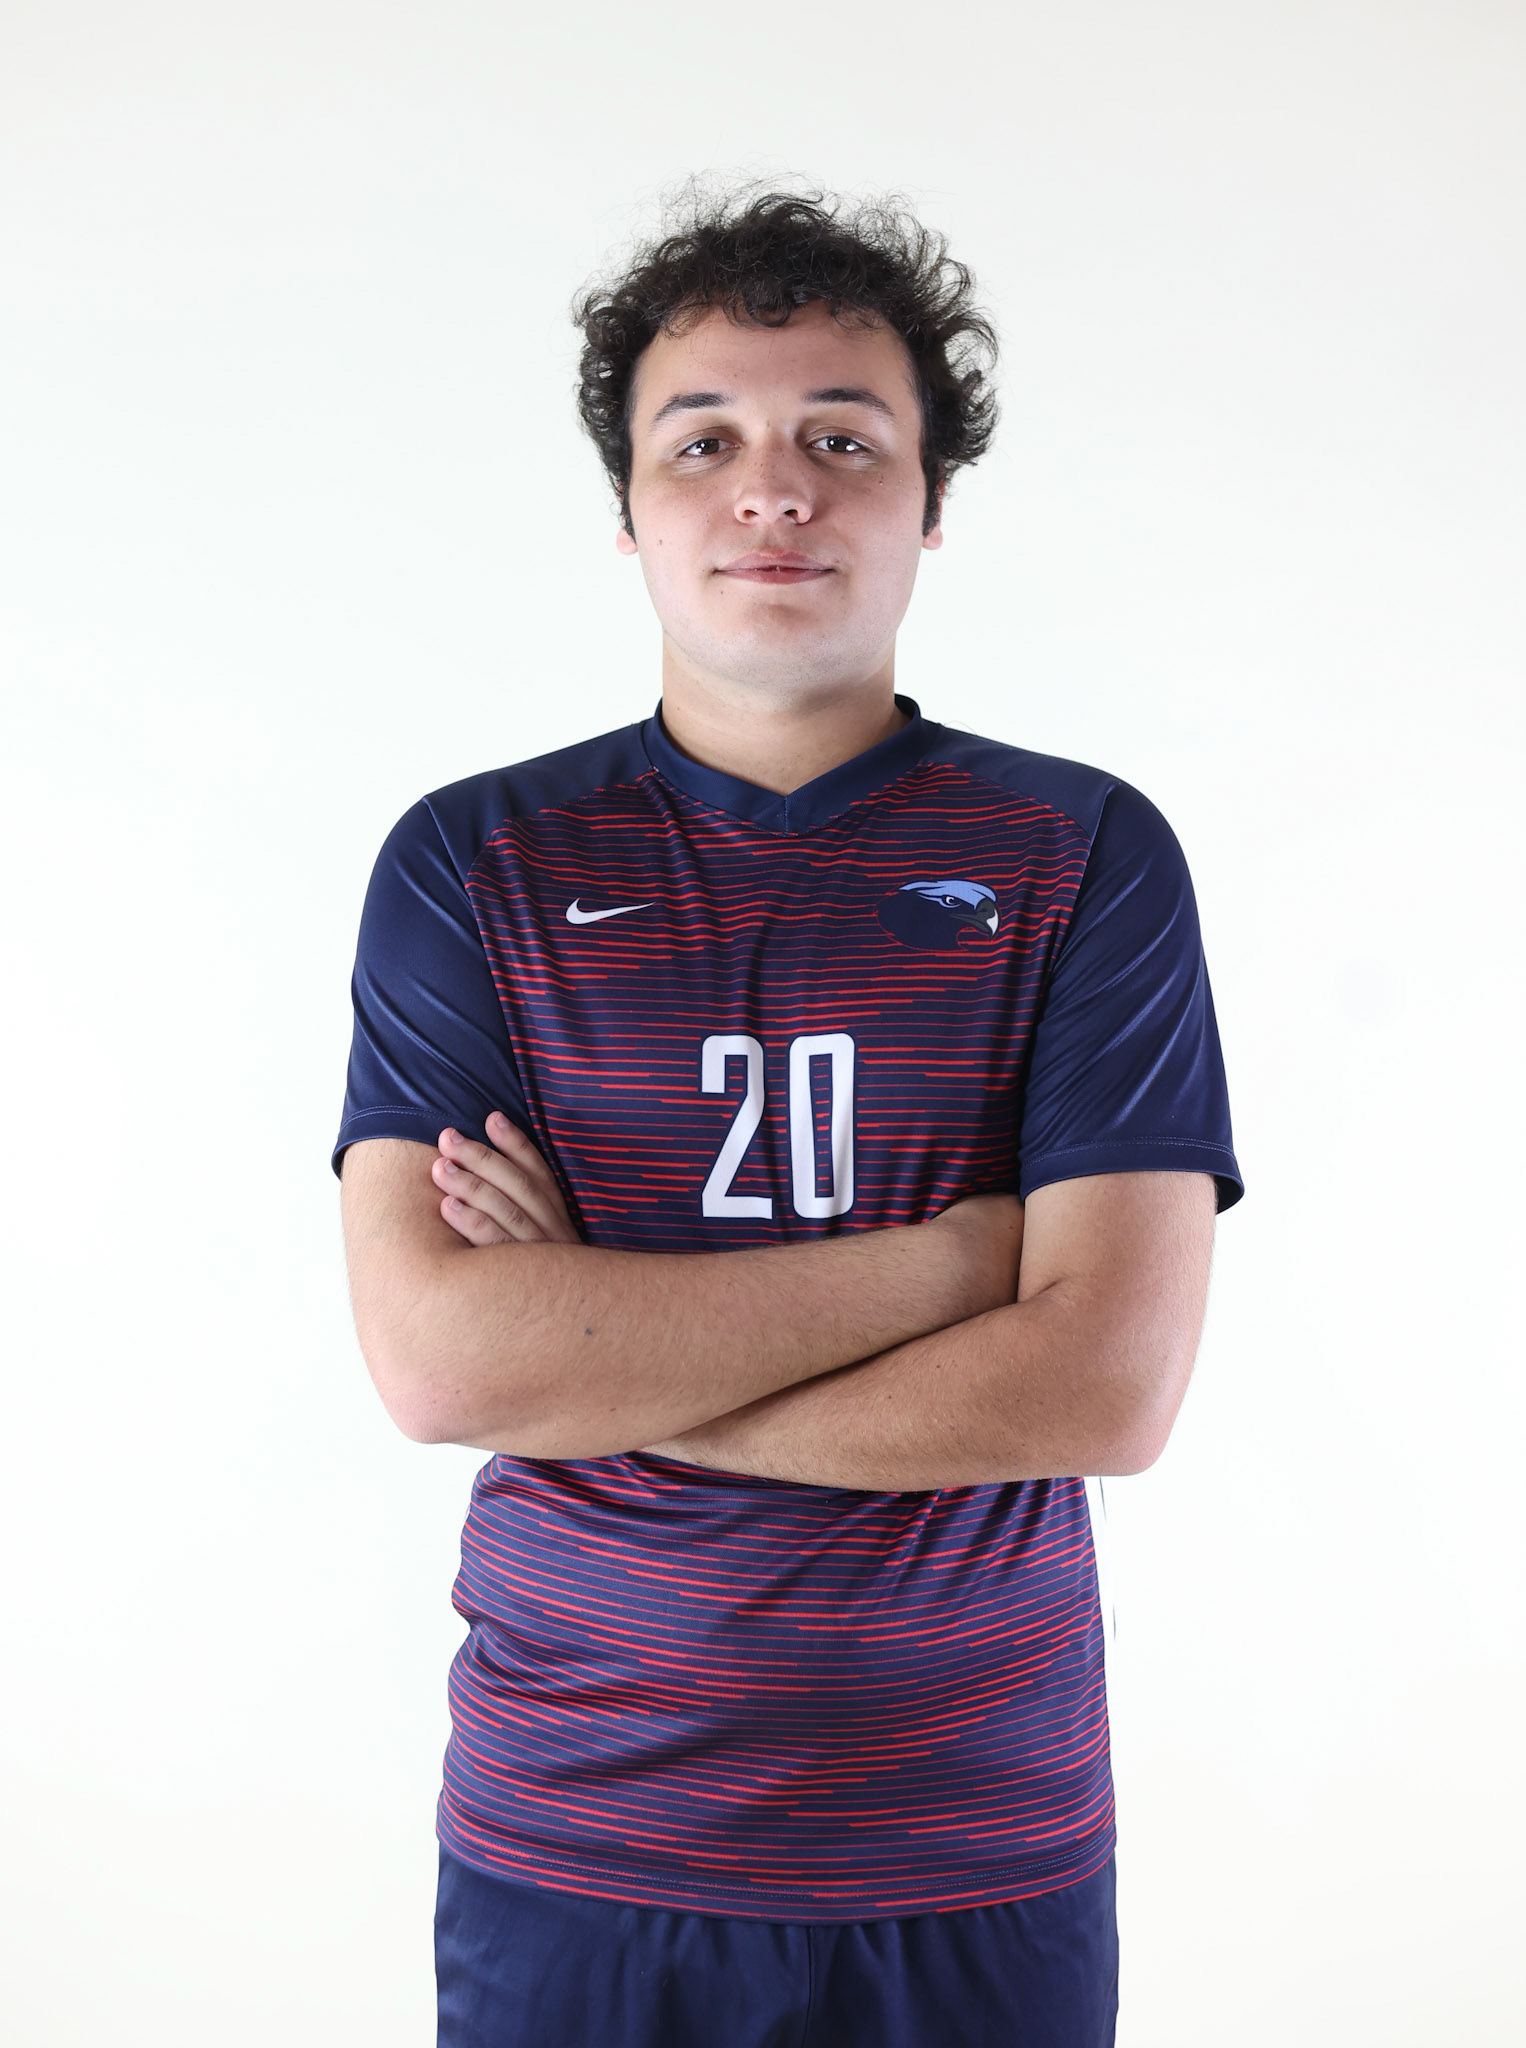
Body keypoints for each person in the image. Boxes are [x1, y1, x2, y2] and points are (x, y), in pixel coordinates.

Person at [334, 181, 1242, 2048]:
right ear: (629, 512)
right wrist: (965, 1265)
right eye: (706, 441)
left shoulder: (1080, 854)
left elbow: (1104, 1391)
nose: (775, 487)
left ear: (926, 503)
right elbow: (437, 1363)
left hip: (975, 1839)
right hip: (582, 1836)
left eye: (843, 437)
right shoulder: (474, 862)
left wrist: (600, 1350)